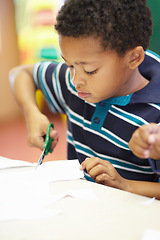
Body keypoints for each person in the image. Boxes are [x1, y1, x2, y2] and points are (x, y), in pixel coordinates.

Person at [9, 0, 160, 199]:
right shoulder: (78, 84)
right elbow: (20, 74)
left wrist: (125, 185)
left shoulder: (154, 115)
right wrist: (32, 113)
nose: (76, 80)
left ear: (133, 58)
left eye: (90, 71)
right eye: (69, 65)